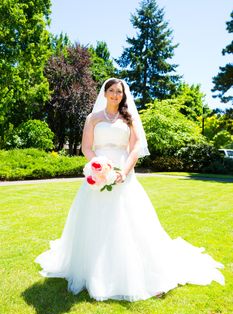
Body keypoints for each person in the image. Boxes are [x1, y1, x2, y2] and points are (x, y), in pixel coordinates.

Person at [35, 78, 225, 302]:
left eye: (119, 92)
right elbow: (86, 147)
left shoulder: (130, 117)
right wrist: (99, 168)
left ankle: (145, 274)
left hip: (124, 173)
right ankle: (95, 272)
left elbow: (135, 147)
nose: (116, 95)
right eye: (112, 91)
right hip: (98, 174)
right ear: (104, 93)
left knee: (131, 222)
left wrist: (123, 172)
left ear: (123, 96)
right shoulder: (93, 118)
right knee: (95, 223)